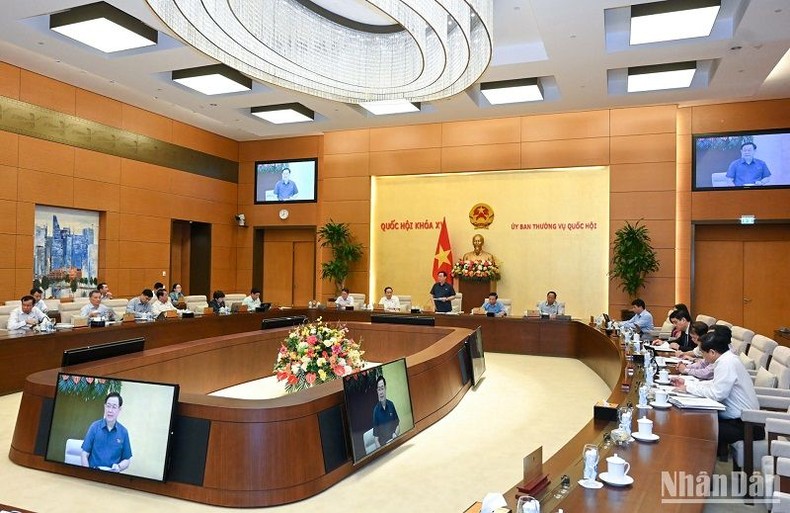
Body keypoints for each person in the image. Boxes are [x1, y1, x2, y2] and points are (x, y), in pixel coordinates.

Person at [671, 326, 763, 456]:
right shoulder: (726, 359)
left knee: (695, 427)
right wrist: (687, 384)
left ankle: (696, 464)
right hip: (738, 420)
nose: (703, 357)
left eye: (703, 353)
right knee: (693, 420)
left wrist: (688, 388)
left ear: (712, 352)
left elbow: (717, 394)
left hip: (746, 425)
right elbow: (714, 385)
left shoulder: (726, 363)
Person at [81, 392, 132, 472]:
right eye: (108, 406)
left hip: (112, 475)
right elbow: (84, 454)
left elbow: (127, 460)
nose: (110, 410)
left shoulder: (123, 432)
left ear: (119, 409)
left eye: (114, 407)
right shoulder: (94, 427)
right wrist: (87, 473)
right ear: (105, 407)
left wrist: (118, 467)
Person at [372, 375, 399, 449]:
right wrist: (382, 450)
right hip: (384, 447)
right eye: (379, 389)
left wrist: (395, 435)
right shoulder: (376, 411)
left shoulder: (391, 404)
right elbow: (376, 439)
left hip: (394, 442)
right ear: (377, 391)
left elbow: (397, 425)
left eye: (382, 388)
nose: (381, 392)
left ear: (385, 388)